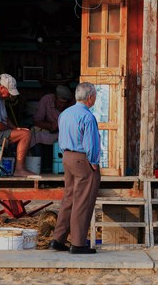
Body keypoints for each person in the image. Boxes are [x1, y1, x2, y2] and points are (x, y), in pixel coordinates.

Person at [50, 82, 101, 254]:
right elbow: (91, 143)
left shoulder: (65, 113)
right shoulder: (87, 116)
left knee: (69, 198)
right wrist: (93, 162)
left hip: (66, 157)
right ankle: (78, 243)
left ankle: (58, 239)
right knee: (83, 201)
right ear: (90, 98)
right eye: (94, 96)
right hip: (82, 160)